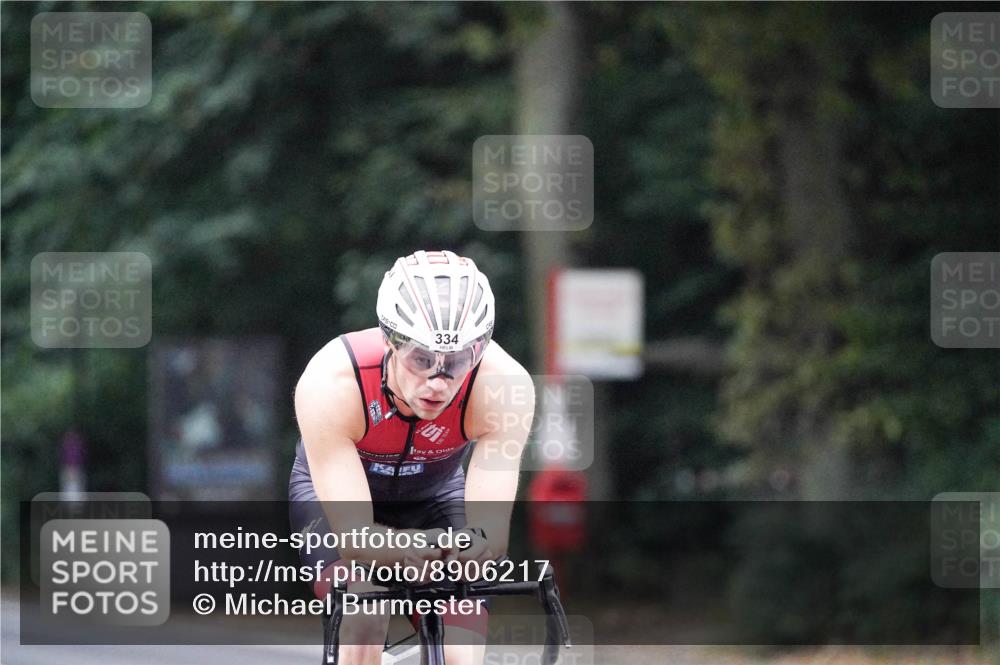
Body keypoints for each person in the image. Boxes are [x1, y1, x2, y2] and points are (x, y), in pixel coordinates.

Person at [289, 250, 535, 665]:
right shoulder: (331, 381)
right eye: (422, 359)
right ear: (389, 340)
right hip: (338, 500)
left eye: (457, 361)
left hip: (435, 496)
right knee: (366, 618)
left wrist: (468, 548)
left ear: (480, 350)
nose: (438, 382)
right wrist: (408, 547)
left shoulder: (504, 386)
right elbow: (354, 539)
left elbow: (491, 531)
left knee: (462, 651)